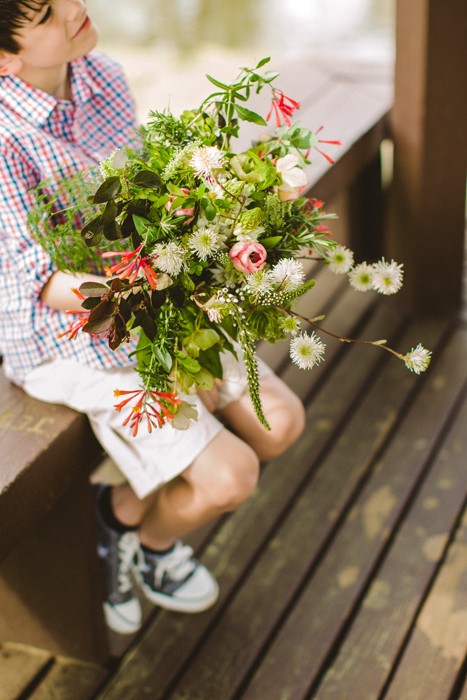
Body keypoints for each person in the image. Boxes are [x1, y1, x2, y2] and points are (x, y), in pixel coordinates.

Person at [0, 0, 305, 635]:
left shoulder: (102, 75)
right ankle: (142, 538)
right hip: (65, 334)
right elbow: (38, 282)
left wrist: (231, 206)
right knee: (231, 476)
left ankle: (123, 521)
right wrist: (155, 298)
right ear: (6, 56)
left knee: (279, 424)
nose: (76, 9)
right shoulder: (5, 140)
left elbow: (148, 192)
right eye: (48, 13)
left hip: (150, 292)